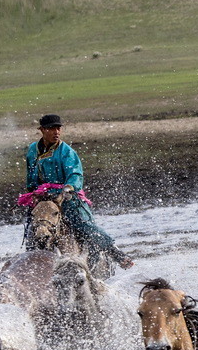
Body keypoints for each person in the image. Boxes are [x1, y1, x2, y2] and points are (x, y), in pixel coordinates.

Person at [23, 114, 134, 269]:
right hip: (44, 198)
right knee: (32, 228)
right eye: (51, 128)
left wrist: (69, 188)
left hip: (67, 197)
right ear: (42, 130)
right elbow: (31, 175)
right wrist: (34, 193)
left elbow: (75, 174)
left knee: (83, 226)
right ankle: (31, 264)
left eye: (58, 128)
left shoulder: (67, 152)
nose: (56, 132)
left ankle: (115, 253)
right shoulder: (32, 150)